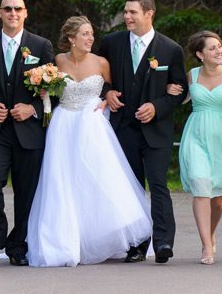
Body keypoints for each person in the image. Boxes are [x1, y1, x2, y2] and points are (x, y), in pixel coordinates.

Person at [26, 16, 151, 267]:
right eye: (84, 34)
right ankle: (66, 241)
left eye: (91, 33)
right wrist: (44, 91)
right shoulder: (57, 62)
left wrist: (107, 97)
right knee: (63, 181)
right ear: (71, 38)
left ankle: (101, 238)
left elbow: (113, 88)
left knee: (98, 179)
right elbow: (48, 88)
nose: (90, 38)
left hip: (92, 124)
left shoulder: (102, 62)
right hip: (63, 125)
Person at [97, 0, 187, 264]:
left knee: (159, 185)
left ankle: (162, 243)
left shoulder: (171, 49)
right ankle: (136, 244)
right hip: (123, 128)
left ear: (149, 14)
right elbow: (97, 76)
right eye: (125, 12)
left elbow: (178, 91)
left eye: (132, 12)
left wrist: (157, 107)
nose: (127, 17)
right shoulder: (112, 43)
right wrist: (108, 92)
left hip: (156, 130)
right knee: (131, 186)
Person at [0, 0, 54, 267]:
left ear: (25, 13)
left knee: (26, 190)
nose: (13, 13)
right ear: (0, 13)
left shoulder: (41, 45)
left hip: (29, 131)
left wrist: (34, 110)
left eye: (18, 9)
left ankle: (19, 245)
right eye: (8, 9)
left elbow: (55, 90)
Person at [177, 31, 222, 265]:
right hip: (196, 134)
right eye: (212, 48)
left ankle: (211, 232)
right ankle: (207, 246)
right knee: (200, 185)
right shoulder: (191, 76)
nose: (219, 51)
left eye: (220, 47)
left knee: (218, 199)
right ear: (200, 54)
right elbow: (178, 97)